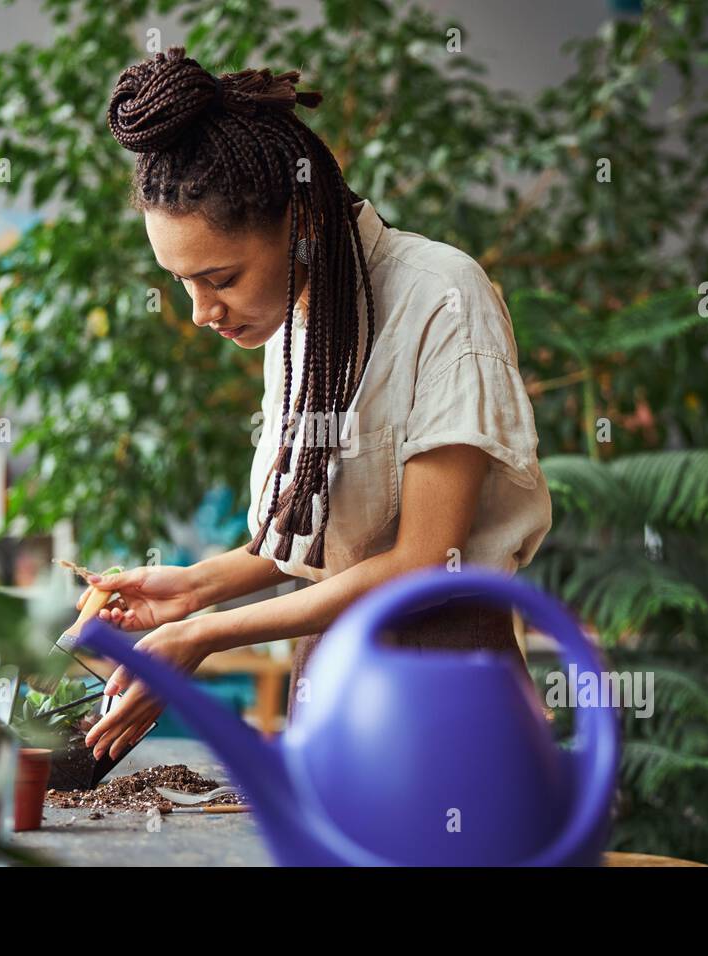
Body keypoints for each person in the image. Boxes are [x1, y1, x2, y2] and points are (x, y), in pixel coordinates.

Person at [82, 47, 551, 761]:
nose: (202, 312)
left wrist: (207, 634)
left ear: (300, 220)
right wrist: (194, 589)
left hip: (446, 697)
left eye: (221, 278)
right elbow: (325, 542)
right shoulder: (296, 319)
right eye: (182, 282)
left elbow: (425, 557)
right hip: (329, 694)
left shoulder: (441, 295)